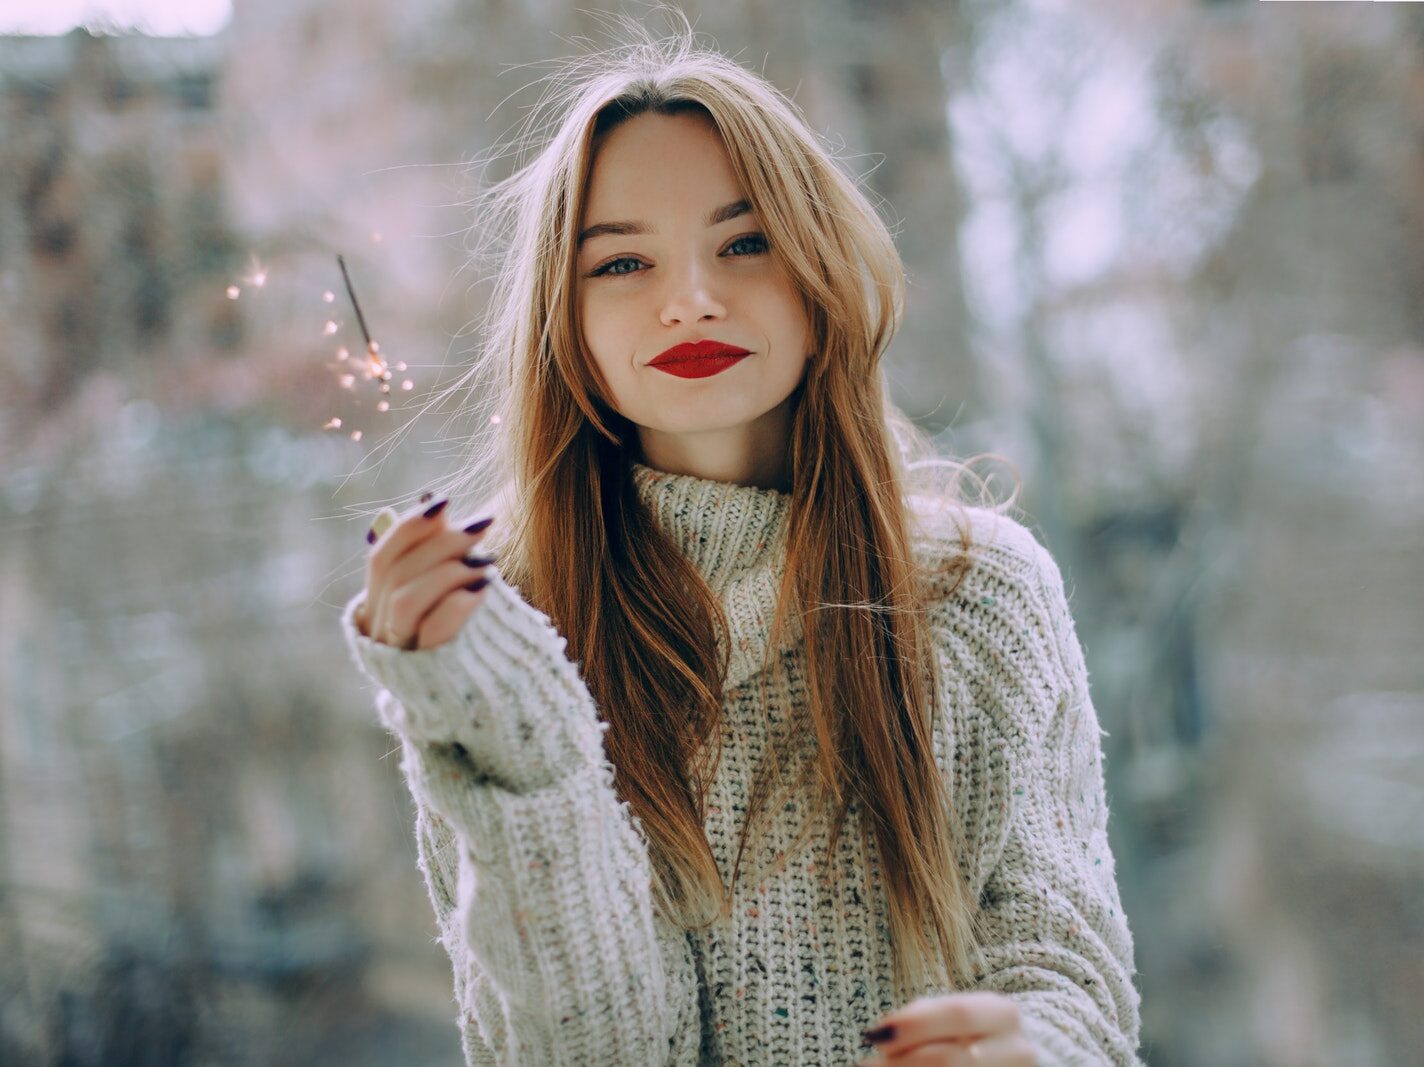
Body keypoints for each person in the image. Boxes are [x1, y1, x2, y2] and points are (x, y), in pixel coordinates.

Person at [340, 16, 1143, 1067]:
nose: (690, 300)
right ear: (563, 323)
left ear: (819, 269)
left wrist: (1028, 1051)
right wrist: (509, 722)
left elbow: (1068, 969)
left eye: (743, 241)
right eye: (620, 262)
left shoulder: (978, 592)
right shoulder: (505, 636)